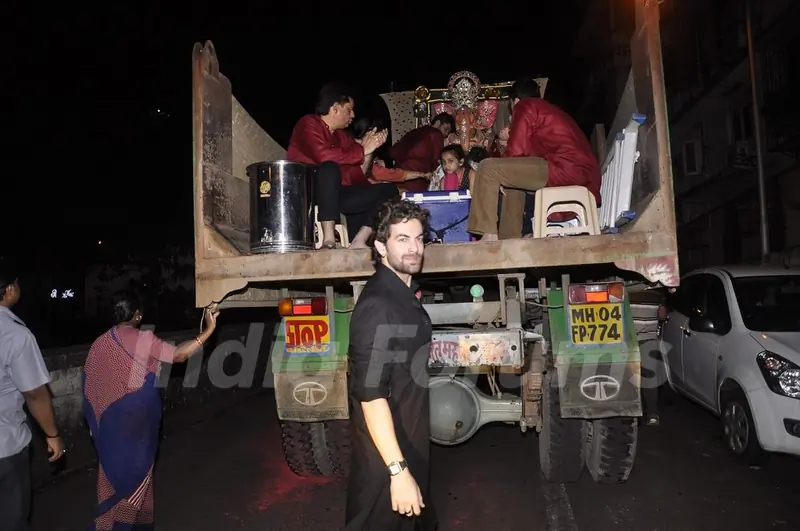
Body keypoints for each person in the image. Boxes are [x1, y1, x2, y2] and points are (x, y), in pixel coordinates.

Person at [82, 291, 218, 530]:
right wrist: (208, 330)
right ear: (137, 315)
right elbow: (180, 355)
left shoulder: (98, 343)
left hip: (109, 430)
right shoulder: (142, 339)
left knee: (112, 481)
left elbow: (90, 387)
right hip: (136, 430)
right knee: (134, 483)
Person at [345, 199, 437, 531]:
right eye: (402, 239)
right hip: (386, 462)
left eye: (419, 238)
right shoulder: (378, 306)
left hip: (409, 444)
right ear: (381, 247)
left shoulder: (403, 295)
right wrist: (398, 472)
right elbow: (370, 397)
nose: (414, 248)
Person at [466, 77, 602, 240]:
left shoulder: (525, 105)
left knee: (487, 168)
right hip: (577, 171)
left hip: (566, 167)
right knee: (512, 183)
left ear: (515, 100)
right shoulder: (548, 109)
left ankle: (487, 234)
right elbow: (525, 159)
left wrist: (500, 173)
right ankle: (509, 239)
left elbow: (516, 151)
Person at [287, 83, 400, 249]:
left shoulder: (342, 136)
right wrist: (363, 150)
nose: (352, 115)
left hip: (336, 195)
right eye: (349, 109)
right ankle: (328, 239)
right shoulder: (308, 124)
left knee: (389, 190)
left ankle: (359, 239)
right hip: (308, 191)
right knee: (329, 168)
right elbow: (323, 155)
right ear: (335, 108)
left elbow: (357, 175)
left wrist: (369, 151)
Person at [0, 263, 65, 531]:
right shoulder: (15, 335)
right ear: (10, 289)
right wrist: (52, 435)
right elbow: (35, 394)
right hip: (4, 449)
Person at [389, 113, 456, 192]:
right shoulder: (436, 133)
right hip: (416, 178)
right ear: (438, 122)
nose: (446, 134)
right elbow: (437, 162)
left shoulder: (413, 132)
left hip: (399, 175)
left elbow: (393, 152)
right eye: (446, 129)